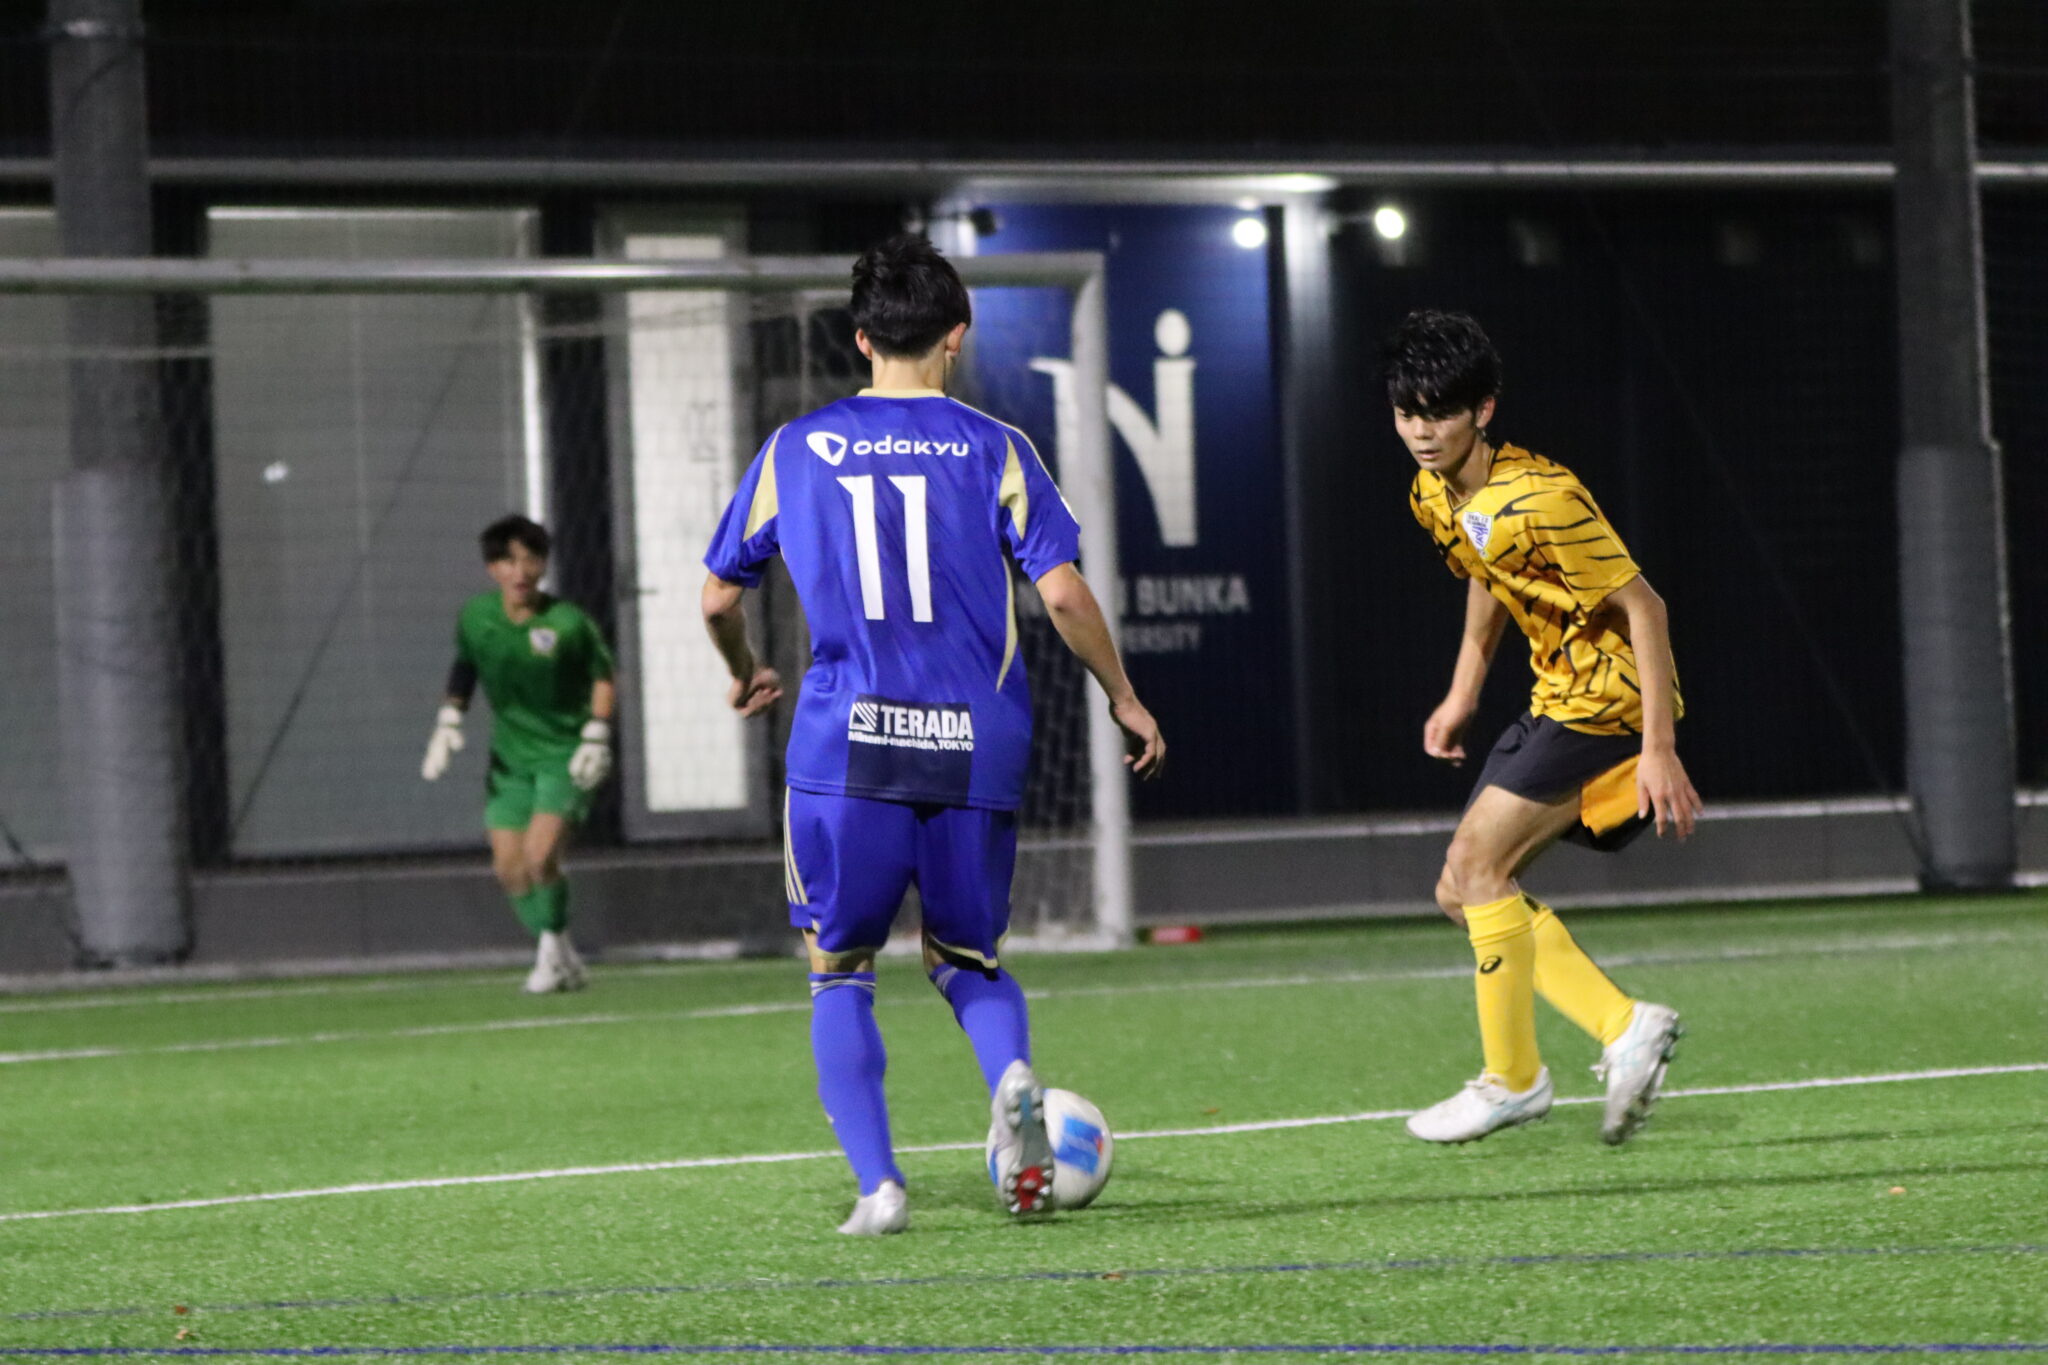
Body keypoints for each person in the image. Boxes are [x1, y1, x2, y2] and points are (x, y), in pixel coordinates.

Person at [700, 233, 1164, 1234]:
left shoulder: (794, 449)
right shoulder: (997, 446)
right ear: (958, 334)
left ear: (861, 339)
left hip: (845, 747)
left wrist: (746, 670)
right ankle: (1010, 1079)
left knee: (838, 968)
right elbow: (1063, 593)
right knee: (966, 959)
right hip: (973, 743)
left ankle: (880, 1187)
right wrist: (1122, 695)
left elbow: (715, 597)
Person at [1389, 309, 1701, 1146]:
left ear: (1483, 410)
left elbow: (1645, 607)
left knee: (1476, 865)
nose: (1421, 431)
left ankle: (1514, 1078)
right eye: (1407, 412)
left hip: (1613, 701)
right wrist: (1462, 692)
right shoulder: (1432, 493)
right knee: (1459, 891)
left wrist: (1659, 749)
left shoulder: (1545, 498)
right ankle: (1623, 1024)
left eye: (1439, 413)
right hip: (1558, 696)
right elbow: (1488, 572)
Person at [421, 515, 617, 994]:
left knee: (540, 855)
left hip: (564, 756)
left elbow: (603, 676)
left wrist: (596, 734)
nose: (521, 570)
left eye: (531, 559)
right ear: (492, 568)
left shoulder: (568, 623)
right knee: (510, 870)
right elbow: (465, 666)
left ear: (544, 565)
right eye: (509, 560)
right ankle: (561, 953)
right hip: (509, 762)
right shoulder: (477, 617)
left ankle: (552, 959)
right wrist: (449, 719)